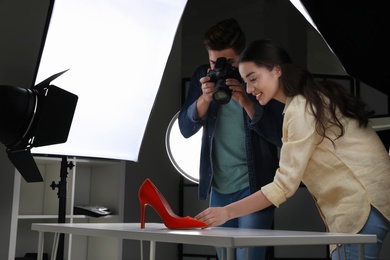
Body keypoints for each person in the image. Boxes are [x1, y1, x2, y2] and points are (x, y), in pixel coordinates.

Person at [195, 38, 390, 259]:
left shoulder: (301, 109)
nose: (249, 89)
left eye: (253, 78)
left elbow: (284, 185)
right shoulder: (308, 101)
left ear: (276, 70)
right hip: (365, 203)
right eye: (245, 82)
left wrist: (227, 212)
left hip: (362, 205)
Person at [178, 19, 284, 260]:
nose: (221, 67)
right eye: (215, 62)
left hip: (256, 186)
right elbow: (185, 129)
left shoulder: (257, 78)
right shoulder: (201, 76)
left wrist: (246, 101)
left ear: (242, 57)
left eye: (229, 62)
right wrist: (204, 99)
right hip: (219, 187)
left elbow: (279, 136)